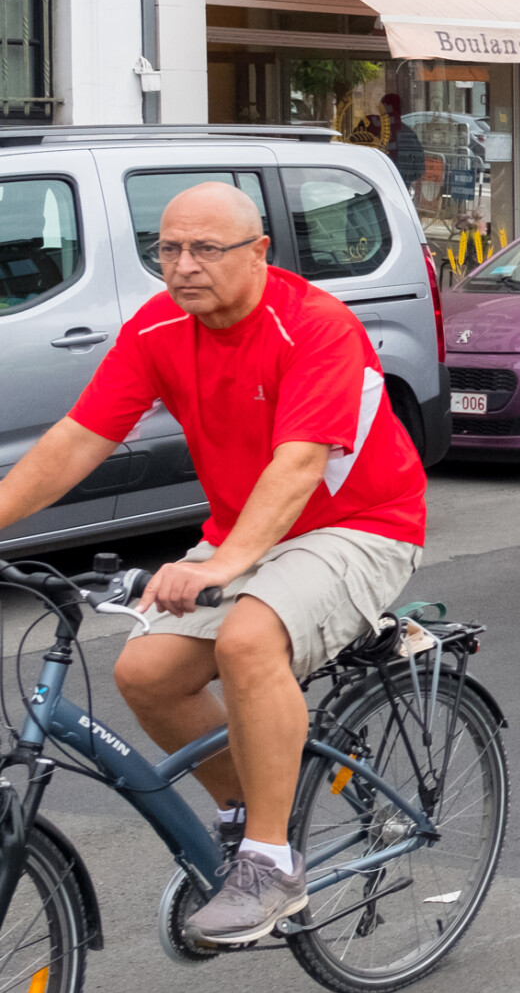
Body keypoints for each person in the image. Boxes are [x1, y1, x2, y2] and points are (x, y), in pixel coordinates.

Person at [0, 182, 426, 943]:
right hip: (245, 530)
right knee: (145, 674)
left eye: (205, 248)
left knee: (247, 640)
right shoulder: (158, 327)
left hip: (361, 524)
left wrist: (223, 565)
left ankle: (270, 864)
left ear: (259, 252)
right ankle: (255, 813)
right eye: (167, 249)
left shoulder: (314, 326)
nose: (183, 266)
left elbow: (299, 464)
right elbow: (78, 439)